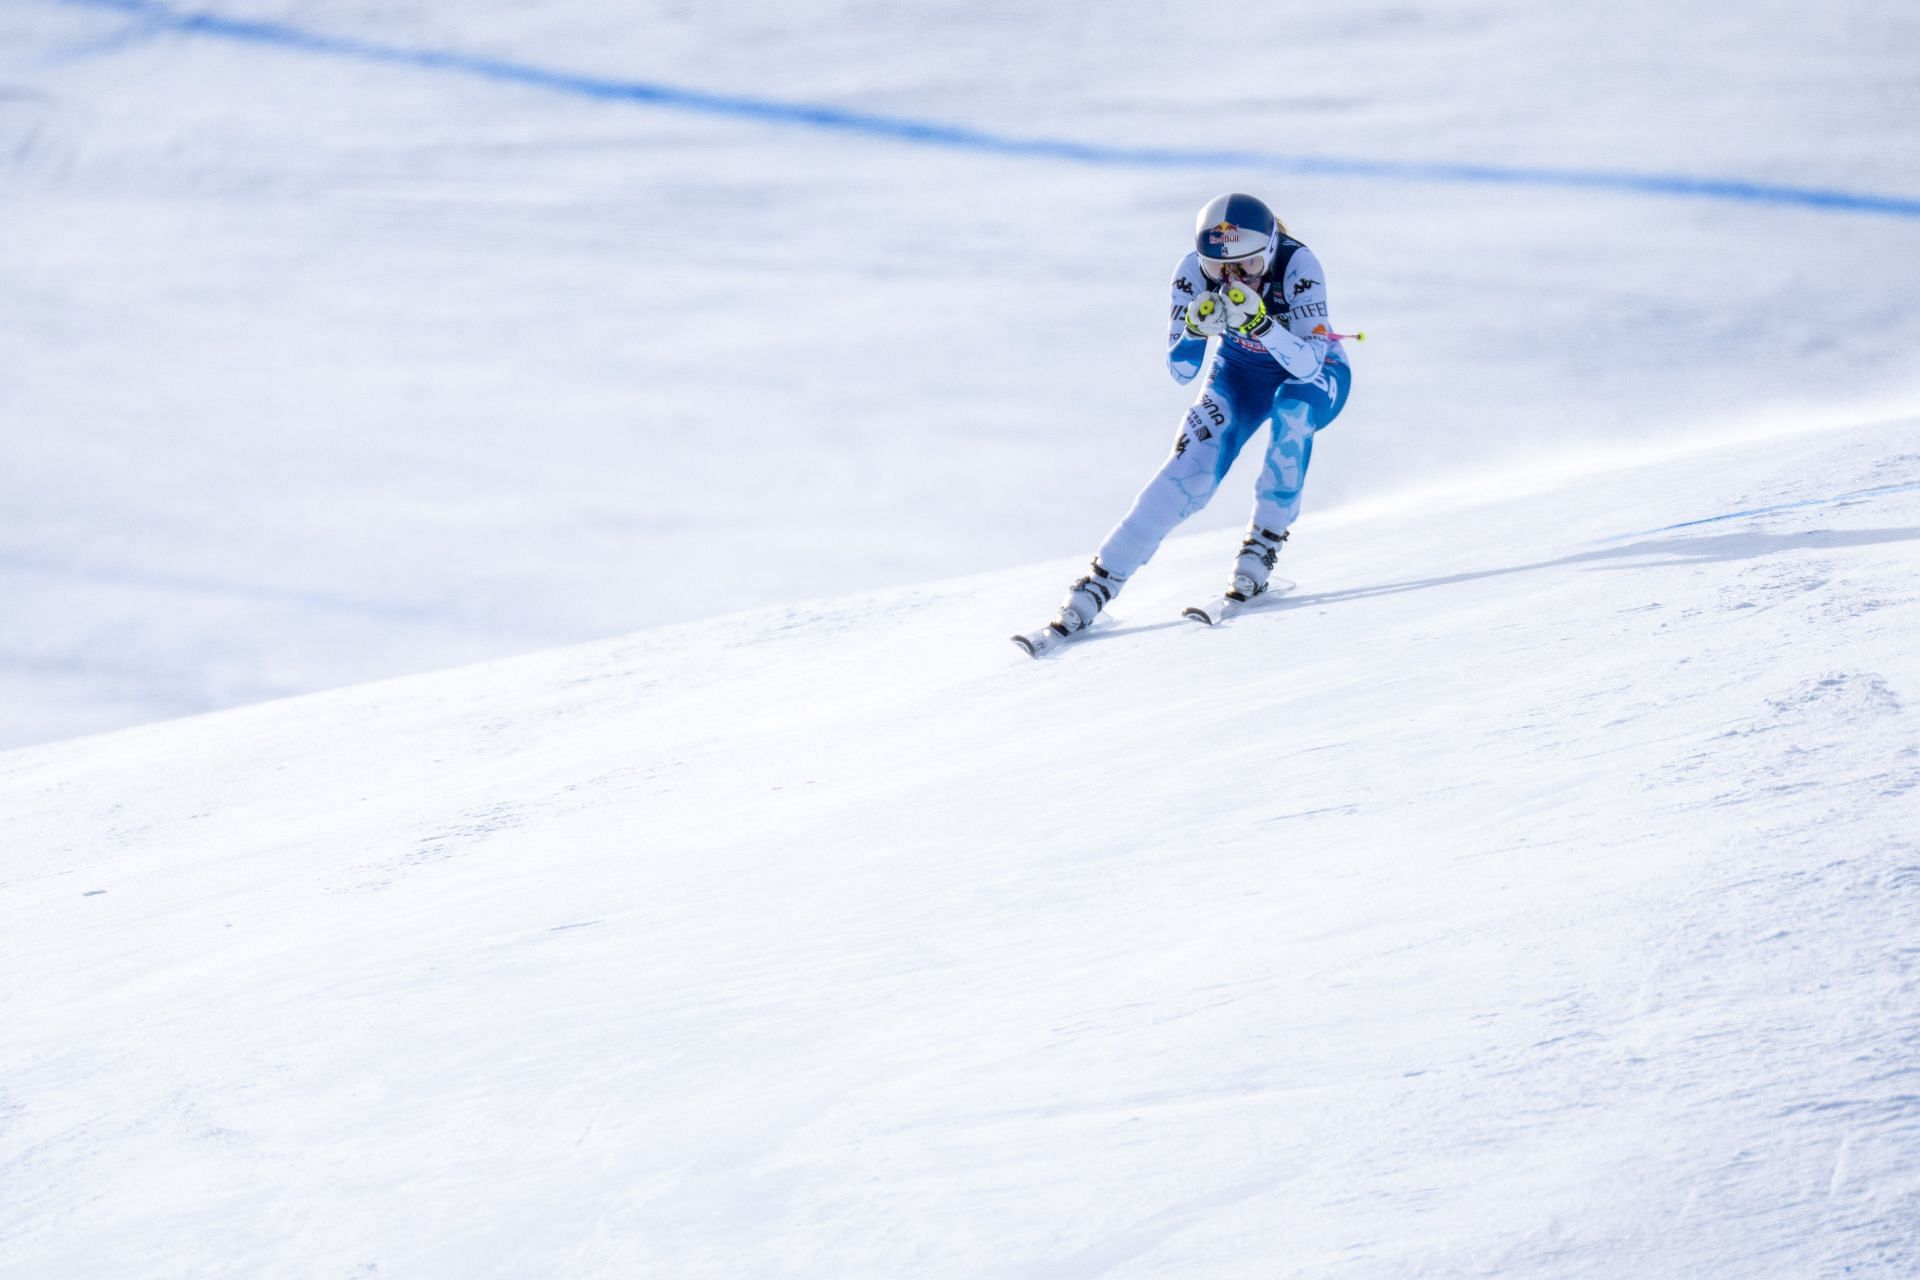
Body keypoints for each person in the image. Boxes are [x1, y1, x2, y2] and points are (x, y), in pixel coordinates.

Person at [1021, 192, 1352, 647]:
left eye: (1251, 266)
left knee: (1291, 413)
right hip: (1240, 370)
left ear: (1272, 250)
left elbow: (1309, 365)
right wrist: (1195, 331)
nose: (1235, 278)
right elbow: (1181, 371)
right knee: (1190, 465)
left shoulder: (1299, 264)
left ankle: (1263, 545)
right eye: (1220, 270)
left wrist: (1260, 325)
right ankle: (1100, 580)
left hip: (1315, 372)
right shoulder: (1190, 272)